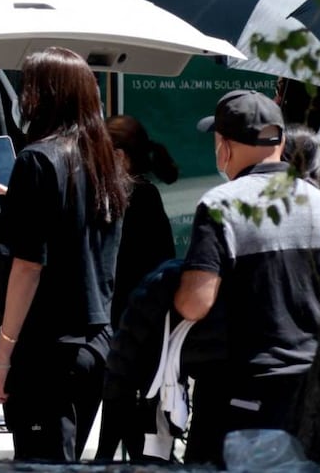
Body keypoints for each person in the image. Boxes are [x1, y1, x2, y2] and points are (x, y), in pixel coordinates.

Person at [0, 46, 131, 462]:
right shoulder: (105, 164)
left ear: (43, 95)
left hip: (47, 350)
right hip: (96, 342)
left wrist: (2, 356)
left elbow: (28, 266)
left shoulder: (37, 160)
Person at [174, 90, 320, 466]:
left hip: (241, 388)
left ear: (225, 146)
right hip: (310, 382)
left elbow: (195, 303)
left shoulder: (221, 203)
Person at [94, 115, 179, 462]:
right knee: (123, 405)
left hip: (129, 321)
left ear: (120, 156)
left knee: (122, 401)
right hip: (138, 322)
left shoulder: (132, 197)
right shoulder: (142, 195)